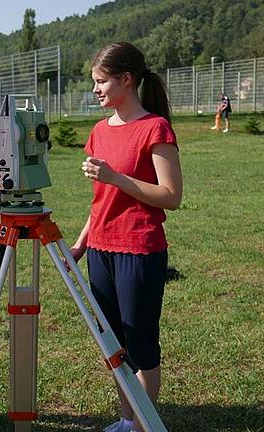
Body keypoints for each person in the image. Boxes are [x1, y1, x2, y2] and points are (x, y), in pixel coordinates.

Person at [70, 42, 183, 432]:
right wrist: (82, 243)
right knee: (115, 347)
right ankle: (125, 419)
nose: (96, 90)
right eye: (95, 83)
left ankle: (142, 426)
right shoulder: (100, 131)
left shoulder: (156, 128)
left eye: (102, 82)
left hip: (139, 250)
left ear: (127, 79)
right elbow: (100, 201)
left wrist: (116, 177)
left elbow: (171, 197)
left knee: (141, 346)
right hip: (101, 250)